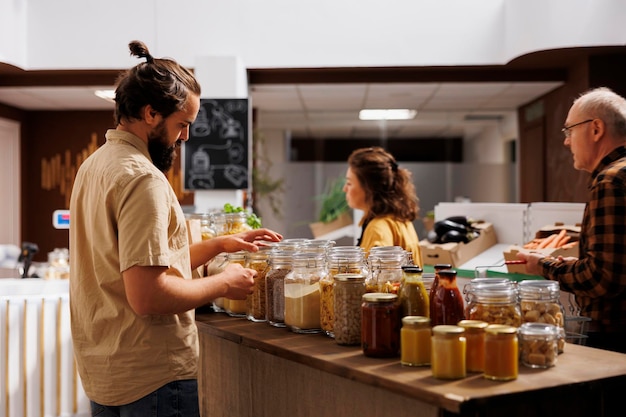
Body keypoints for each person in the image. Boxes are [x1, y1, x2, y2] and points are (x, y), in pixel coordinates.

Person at [69, 40, 282, 416]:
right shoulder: (143, 180)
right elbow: (148, 296)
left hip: (106, 370)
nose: (185, 137)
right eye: (182, 125)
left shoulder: (95, 165)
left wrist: (219, 244)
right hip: (151, 374)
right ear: (151, 113)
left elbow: (137, 264)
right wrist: (224, 283)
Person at [517, 87, 626, 353]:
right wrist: (580, 265)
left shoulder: (610, 181)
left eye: (570, 130)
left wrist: (542, 266)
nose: (567, 141)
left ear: (596, 129)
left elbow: (603, 279)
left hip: (615, 337)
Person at [343, 146, 423, 266]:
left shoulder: (378, 229)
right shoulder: (400, 220)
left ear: (369, 188)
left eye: (349, 183)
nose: (345, 189)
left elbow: (379, 280)